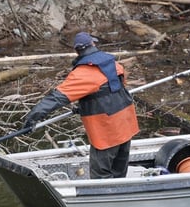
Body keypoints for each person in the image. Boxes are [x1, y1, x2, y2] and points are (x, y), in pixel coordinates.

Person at [23, 32, 140, 179]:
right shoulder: (115, 64)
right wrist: (85, 107)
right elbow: (112, 91)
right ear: (93, 45)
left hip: (107, 131)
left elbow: (56, 98)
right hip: (126, 123)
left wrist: (32, 118)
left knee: (101, 175)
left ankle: (103, 200)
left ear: (77, 51)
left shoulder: (83, 73)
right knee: (119, 171)